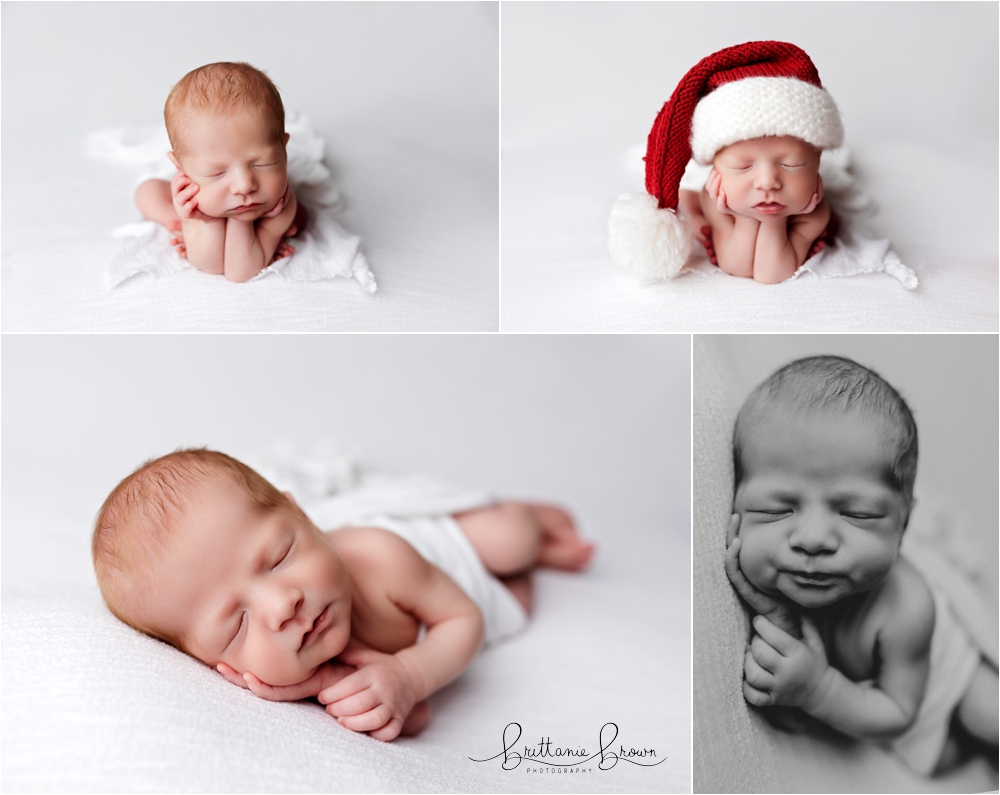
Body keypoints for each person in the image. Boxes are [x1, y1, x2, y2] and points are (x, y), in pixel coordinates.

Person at [92, 449, 594, 741]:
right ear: (208, 661)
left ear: (302, 516)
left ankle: (529, 519)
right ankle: (534, 570)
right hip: (444, 612)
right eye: (237, 624)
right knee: (518, 610)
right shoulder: (294, 668)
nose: (280, 606)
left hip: (441, 553)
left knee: (508, 543)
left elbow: (464, 620)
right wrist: (360, 689)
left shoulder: (381, 555)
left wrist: (411, 674)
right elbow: (407, 716)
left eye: (279, 556)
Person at [724, 355, 997, 774]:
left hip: (947, 681)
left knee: (987, 717)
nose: (813, 539)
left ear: (903, 524)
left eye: (858, 515)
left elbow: (897, 712)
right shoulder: (776, 574)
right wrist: (772, 611)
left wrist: (818, 690)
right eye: (777, 510)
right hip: (889, 715)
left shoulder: (907, 607)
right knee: (953, 762)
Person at [133, 62, 305, 281]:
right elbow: (210, 266)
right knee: (147, 191)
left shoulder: (281, 204)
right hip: (201, 207)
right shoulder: (191, 196)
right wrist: (209, 222)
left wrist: (242, 221)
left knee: (302, 219)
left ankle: (268, 238)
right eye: (217, 173)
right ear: (181, 168)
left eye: (263, 163)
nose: (244, 185)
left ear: (284, 149)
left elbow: (240, 273)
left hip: (264, 217)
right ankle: (180, 227)